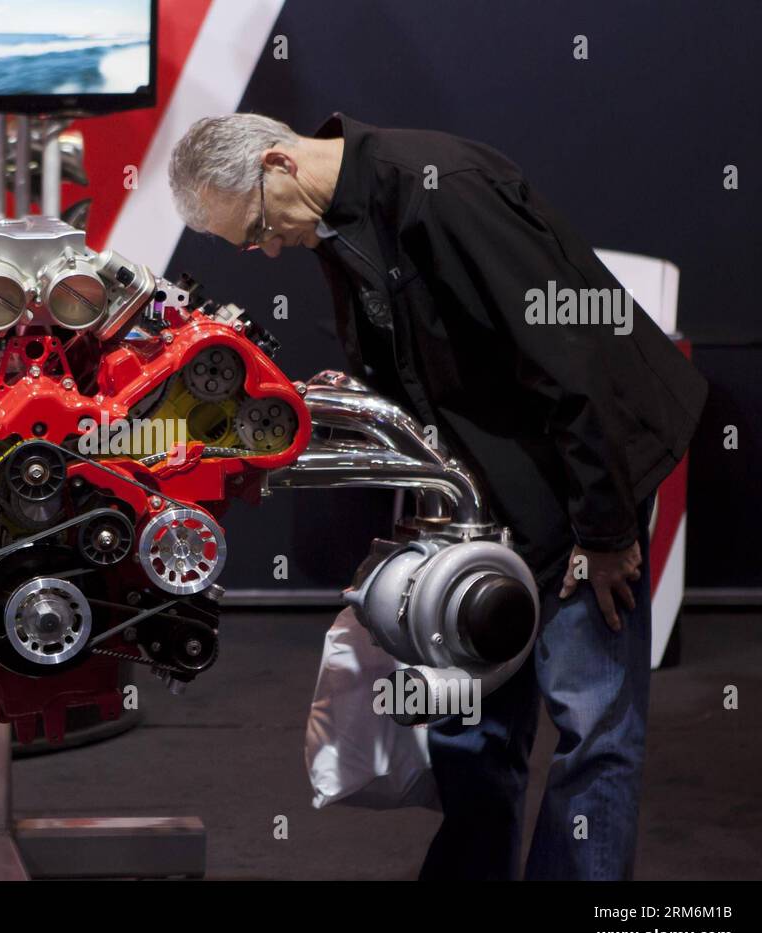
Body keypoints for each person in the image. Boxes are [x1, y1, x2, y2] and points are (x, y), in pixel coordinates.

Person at [168, 112, 707, 879]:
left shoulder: (442, 192)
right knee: (470, 730)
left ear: (280, 163)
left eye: (259, 227)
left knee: (593, 729)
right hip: (488, 489)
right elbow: (426, 357)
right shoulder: (337, 220)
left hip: (583, 468)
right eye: (252, 244)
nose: (272, 248)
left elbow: (573, 362)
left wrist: (607, 533)